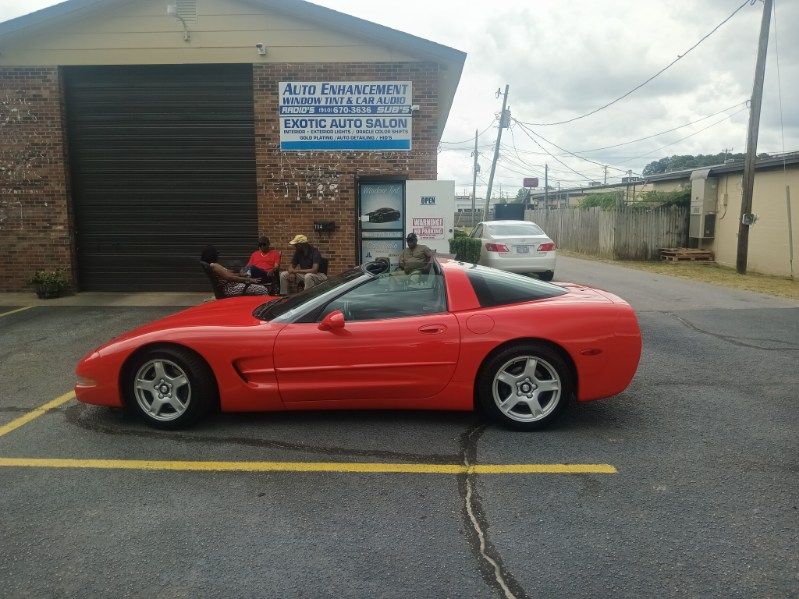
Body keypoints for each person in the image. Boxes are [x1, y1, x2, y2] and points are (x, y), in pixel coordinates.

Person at [200, 245, 269, 297]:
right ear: (212, 255)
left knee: (256, 282)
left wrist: (241, 274)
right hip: (231, 289)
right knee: (263, 289)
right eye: (216, 254)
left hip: (234, 286)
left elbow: (230, 274)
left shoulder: (215, 265)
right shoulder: (214, 265)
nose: (218, 256)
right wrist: (248, 280)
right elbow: (230, 277)